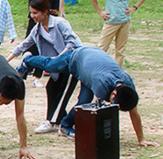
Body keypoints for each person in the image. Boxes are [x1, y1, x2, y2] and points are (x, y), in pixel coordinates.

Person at [20, 46, 158, 146]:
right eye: (113, 102)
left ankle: (65, 125)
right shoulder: (101, 85)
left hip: (92, 64)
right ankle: (28, 59)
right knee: (49, 65)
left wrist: (141, 139)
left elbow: (134, 112)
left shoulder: (128, 85)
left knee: (84, 101)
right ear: (114, 93)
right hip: (77, 57)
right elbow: (96, 113)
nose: (112, 105)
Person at [7, 0, 82, 134]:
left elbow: (72, 43)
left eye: (35, 13)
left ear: (45, 12)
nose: (32, 16)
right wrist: (6, 61)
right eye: (31, 12)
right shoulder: (37, 29)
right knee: (51, 89)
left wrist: (58, 59)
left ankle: (52, 122)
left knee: (62, 94)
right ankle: (59, 119)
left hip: (71, 64)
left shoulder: (60, 23)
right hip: (56, 67)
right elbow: (23, 45)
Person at [90, 0, 146, 67]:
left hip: (125, 20)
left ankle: (118, 73)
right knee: (102, 48)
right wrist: (100, 12)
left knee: (120, 50)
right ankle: (95, 68)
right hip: (111, 20)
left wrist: (134, 8)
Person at [25, 0, 64, 88]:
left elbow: (56, 9)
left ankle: (37, 76)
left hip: (48, 22)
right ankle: (24, 71)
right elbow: (32, 6)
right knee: (30, 47)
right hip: (35, 21)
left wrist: (53, 12)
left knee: (44, 48)